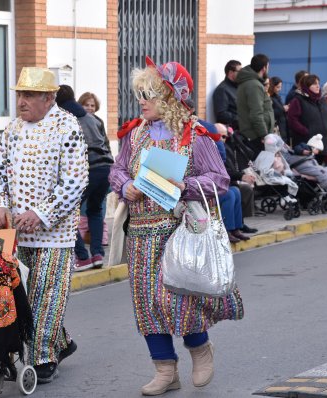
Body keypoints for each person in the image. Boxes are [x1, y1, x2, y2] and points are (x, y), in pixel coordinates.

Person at [108, 56, 244, 396]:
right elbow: (117, 170)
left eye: (149, 95)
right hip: (141, 233)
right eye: (140, 94)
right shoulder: (134, 134)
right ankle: (165, 370)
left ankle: (200, 350)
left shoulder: (195, 136)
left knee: (177, 300)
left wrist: (184, 185)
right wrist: (127, 187)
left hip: (179, 231)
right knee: (146, 302)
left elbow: (220, 179)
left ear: (170, 98)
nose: (141, 101)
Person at [0, 67, 88, 383]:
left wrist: (42, 215)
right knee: (19, 296)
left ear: (49, 97)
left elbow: (75, 181)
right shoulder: (13, 129)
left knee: (46, 295)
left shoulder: (67, 127)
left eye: (29, 95)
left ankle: (43, 357)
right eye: (19, 94)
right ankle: (61, 342)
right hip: (15, 234)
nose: (21, 101)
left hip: (54, 233)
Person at [56, 84, 113, 271]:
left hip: (87, 169)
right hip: (105, 168)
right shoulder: (94, 119)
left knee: (66, 212)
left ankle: (82, 257)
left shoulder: (65, 119)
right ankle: (97, 255)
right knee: (95, 211)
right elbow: (106, 144)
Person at [77, 91, 110, 247]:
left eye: (92, 105)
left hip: (100, 166)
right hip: (86, 168)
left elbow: (106, 143)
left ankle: (100, 236)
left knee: (98, 203)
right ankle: (84, 232)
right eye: (86, 105)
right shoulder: (77, 121)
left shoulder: (98, 121)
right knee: (86, 205)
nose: (90, 108)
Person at [287, 74, 327, 160]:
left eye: (318, 83)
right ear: (306, 86)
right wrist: (307, 131)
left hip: (324, 142)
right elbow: (292, 120)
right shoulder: (298, 100)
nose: (318, 86)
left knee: (322, 170)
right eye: (314, 84)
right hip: (307, 143)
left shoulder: (323, 100)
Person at [236, 54, 275, 156]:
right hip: (256, 136)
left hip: (255, 135)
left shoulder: (251, 83)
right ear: (264, 68)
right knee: (261, 168)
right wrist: (264, 135)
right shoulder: (254, 85)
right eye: (268, 67)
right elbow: (256, 114)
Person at [212, 60, 242, 131]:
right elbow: (221, 114)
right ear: (231, 73)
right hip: (232, 135)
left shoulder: (238, 87)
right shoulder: (222, 90)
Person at [268, 76, 288, 142]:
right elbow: (269, 113)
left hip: (282, 127)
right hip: (276, 129)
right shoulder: (269, 98)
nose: (280, 89)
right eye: (278, 87)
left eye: (280, 87)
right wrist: (283, 109)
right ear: (272, 86)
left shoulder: (277, 96)